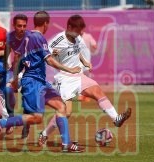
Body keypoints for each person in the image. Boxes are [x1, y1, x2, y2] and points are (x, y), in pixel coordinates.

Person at [0, 11, 84, 153]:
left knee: (61, 106)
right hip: (33, 82)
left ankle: (67, 144)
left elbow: (20, 61)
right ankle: (1, 123)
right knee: (37, 118)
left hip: (40, 81)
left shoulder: (26, 39)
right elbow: (49, 60)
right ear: (46, 23)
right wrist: (69, 69)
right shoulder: (39, 37)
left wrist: (14, 78)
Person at [37, 14, 132, 146]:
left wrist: (86, 62)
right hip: (64, 78)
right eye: (77, 30)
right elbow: (47, 57)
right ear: (69, 27)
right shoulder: (57, 41)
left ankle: (116, 118)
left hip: (79, 76)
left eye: (81, 31)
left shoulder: (78, 38)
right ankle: (44, 134)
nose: (79, 33)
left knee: (98, 91)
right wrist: (54, 55)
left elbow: (78, 52)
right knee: (66, 112)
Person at [4, 14, 30, 139]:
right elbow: (7, 51)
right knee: (7, 90)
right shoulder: (10, 36)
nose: (22, 28)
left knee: (28, 98)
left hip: (29, 70)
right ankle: (10, 118)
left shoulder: (30, 37)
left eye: (24, 26)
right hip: (15, 69)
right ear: (14, 26)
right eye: (19, 26)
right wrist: (5, 65)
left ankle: (26, 125)